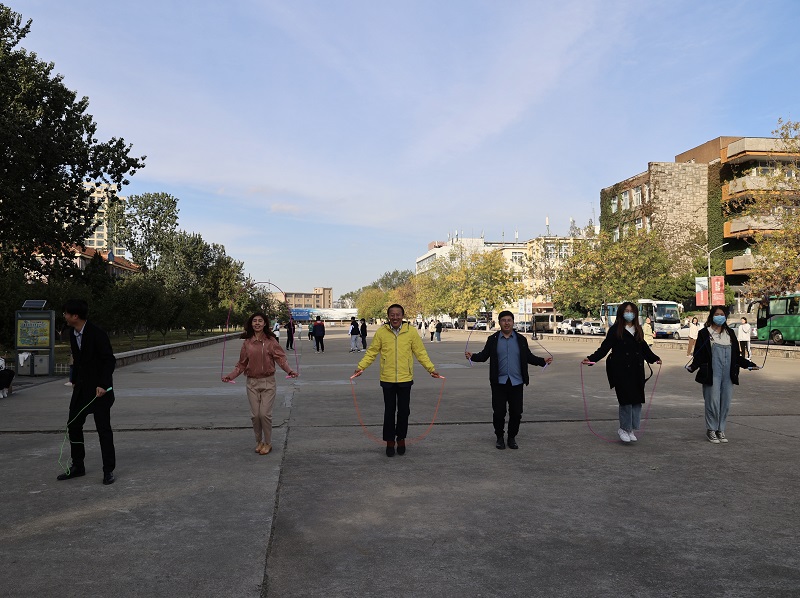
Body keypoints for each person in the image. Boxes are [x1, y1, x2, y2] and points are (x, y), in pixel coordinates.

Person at [353, 304, 440, 457]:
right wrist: (361, 367)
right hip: (387, 379)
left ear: (402, 316)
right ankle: (389, 441)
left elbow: (420, 352)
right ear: (388, 316)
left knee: (404, 411)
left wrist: (430, 369)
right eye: (392, 315)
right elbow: (372, 352)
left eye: (397, 314)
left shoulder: (411, 332)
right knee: (389, 411)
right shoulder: (382, 332)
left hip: (405, 379)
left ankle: (401, 439)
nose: (395, 317)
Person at [465, 311, 553, 450]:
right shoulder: (493, 339)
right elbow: (484, 355)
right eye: (503, 320)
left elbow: (528, 357)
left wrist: (543, 361)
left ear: (513, 322)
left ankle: (512, 437)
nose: (506, 323)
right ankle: (499, 437)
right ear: (499, 322)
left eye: (509, 320)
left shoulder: (521, 339)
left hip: (516, 382)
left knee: (516, 413)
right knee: (499, 413)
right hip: (498, 383)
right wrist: (472, 356)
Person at [582, 301, 662, 444]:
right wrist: (591, 359)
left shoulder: (638, 329)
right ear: (621, 313)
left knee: (636, 401)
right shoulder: (615, 330)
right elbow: (605, 348)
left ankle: (631, 429)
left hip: (637, 370)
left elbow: (644, 348)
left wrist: (654, 358)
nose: (629, 314)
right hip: (621, 370)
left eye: (632, 311)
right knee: (626, 401)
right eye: (626, 311)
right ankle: (623, 429)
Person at [57, 299, 117, 484]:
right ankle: (78, 465)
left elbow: (109, 360)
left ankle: (108, 470)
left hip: (100, 391)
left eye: (66, 313)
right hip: (82, 390)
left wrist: (103, 384)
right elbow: (78, 360)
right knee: (73, 425)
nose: (64, 316)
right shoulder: (72, 333)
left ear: (75, 316)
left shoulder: (97, 333)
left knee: (103, 430)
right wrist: (74, 380)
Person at [222, 312, 297, 455]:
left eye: (260, 321)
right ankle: (259, 441)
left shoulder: (271, 341)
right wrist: (230, 376)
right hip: (252, 383)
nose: (257, 323)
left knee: (264, 414)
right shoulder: (247, 343)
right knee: (255, 415)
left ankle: (268, 443)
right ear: (251, 324)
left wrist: (290, 370)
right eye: (254, 321)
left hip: (268, 382)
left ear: (265, 324)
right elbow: (241, 364)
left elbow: (281, 359)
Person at [687, 306, 758, 444]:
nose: (720, 316)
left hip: (728, 372)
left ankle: (721, 429)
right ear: (712, 316)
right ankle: (711, 429)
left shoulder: (730, 333)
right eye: (717, 314)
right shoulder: (704, 333)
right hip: (712, 372)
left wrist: (749, 364)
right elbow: (699, 354)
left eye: (722, 314)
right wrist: (693, 366)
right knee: (713, 402)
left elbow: (736, 356)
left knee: (725, 402)